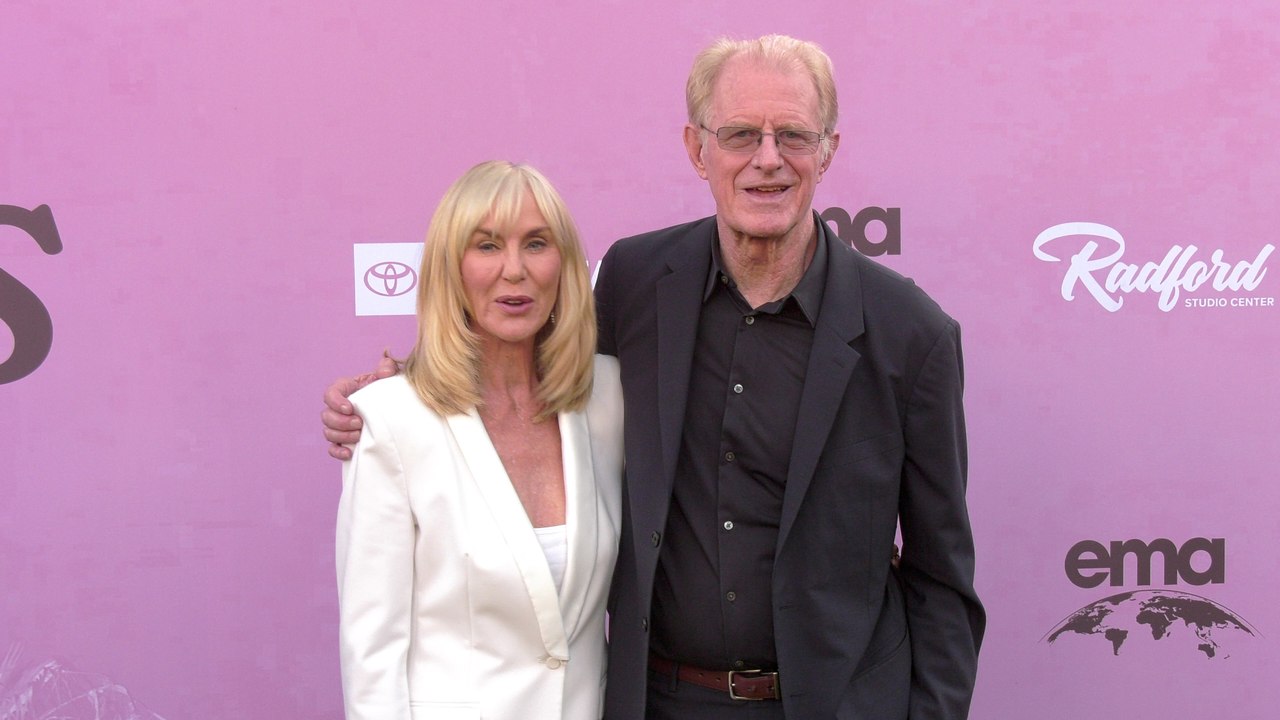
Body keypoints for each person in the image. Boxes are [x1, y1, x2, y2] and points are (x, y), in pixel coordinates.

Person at [325, 35, 983, 720]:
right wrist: (404, 388)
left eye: (792, 134)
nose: (767, 159)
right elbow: (524, 358)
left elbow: (941, 581)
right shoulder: (635, 283)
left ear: (828, 150)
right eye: (738, 135)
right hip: (661, 701)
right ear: (698, 149)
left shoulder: (911, 335)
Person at [334, 160, 623, 720]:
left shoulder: (609, 397)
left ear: (563, 265)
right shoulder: (392, 420)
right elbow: (373, 651)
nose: (514, 270)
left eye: (536, 244)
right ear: (450, 268)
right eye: (487, 246)